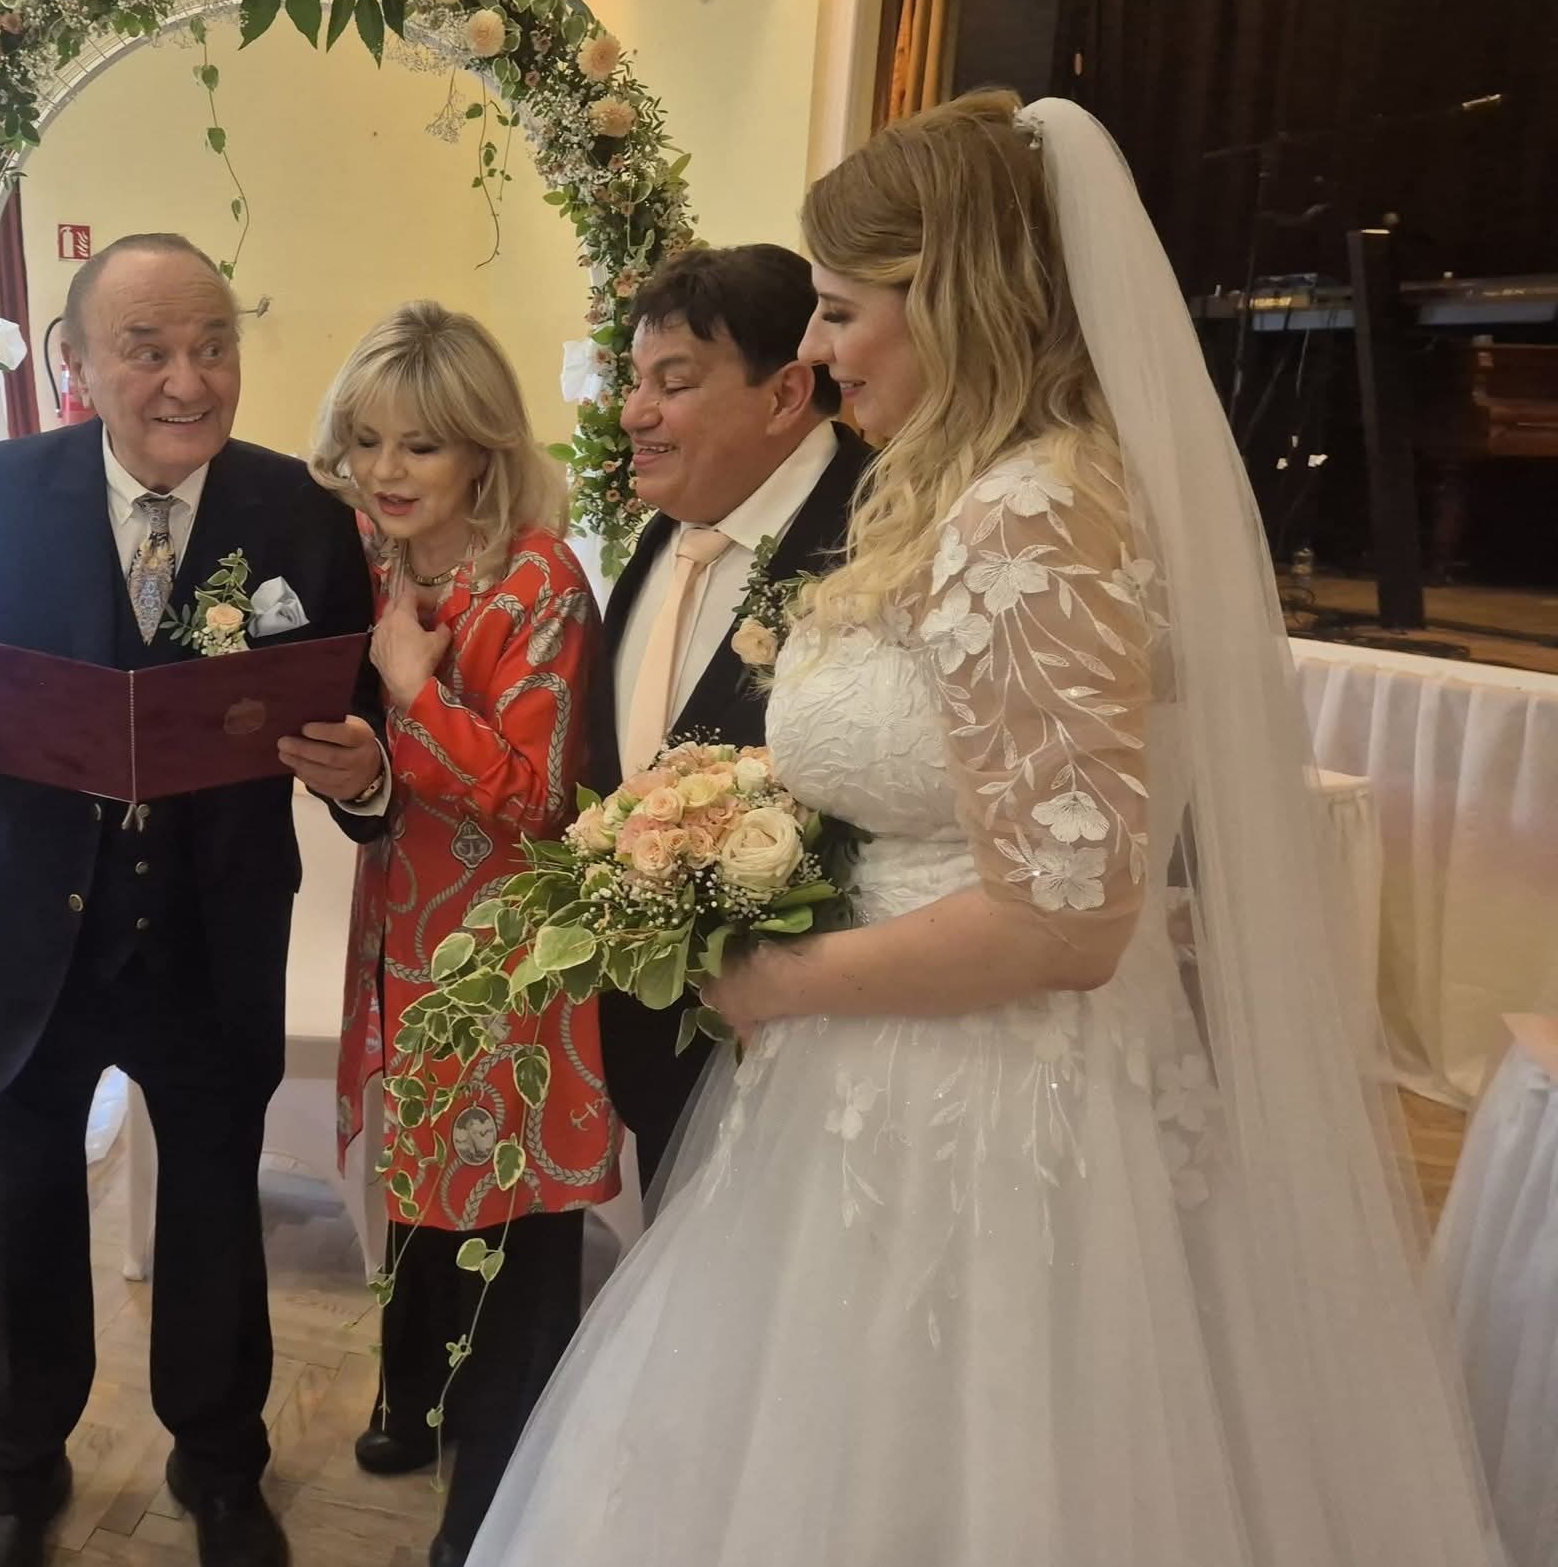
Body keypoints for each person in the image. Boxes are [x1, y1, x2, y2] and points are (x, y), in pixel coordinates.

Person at [463, 96, 1507, 1565]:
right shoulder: (959, 489)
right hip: (881, 1079)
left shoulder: (1035, 513)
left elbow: (1064, 920)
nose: (815, 347)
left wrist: (773, 978)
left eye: (840, 309)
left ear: (951, 295)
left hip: (987, 1106)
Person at [0, 233, 389, 1567]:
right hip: (26, 931)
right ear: (77, 366)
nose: (186, 381)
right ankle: (14, 1471)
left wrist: (366, 771)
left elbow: (359, 709)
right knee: (24, 1209)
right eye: (147, 350)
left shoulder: (300, 512)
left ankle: (221, 1465)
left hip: (215, 929)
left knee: (212, 1208)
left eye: (213, 346)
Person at [312, 301, 617, 1567]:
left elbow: (534, 793)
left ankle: (493, 1497)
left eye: (420, 445)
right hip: (403, 926)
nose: (385, 470)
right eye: (367, 440)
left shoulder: (538, 578)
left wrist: (407, 687)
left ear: (483, 449)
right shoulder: (378, 562)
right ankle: (415, 1405)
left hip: (508, 949)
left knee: (507, 1209)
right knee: (423, 1180)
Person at [592, 244, 870, 1193]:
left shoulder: (879, 537)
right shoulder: (667, 532)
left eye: (672, 385)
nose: (634, 414)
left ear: (786, 392)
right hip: (659, 1053)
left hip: (813, 1066)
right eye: (635, 382)